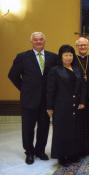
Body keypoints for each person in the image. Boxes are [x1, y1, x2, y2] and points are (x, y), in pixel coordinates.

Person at [8, 32, 58, 164]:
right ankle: (29, 152)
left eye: (41, 39)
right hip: (29, 100)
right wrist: (24, 89)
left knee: (44, 127)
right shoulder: (22, 57)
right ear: (31, 42)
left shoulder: (53, 57)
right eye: (35, 40)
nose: (38, 41)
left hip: (46, 101)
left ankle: (40, 151)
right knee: (28, 128)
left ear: (44, 41)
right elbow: (12, 75)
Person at [46, 45, 86, 166]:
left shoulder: (77, 69)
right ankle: (62, 156)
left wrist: (83, 101)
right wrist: (49, 107)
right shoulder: (55, 70)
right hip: (61, 105)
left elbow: (82, 87)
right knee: (62, 131)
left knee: (74, 130)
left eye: (70, 55)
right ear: (61, 56)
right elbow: (50, 90)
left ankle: (73, 154)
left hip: (76, 105)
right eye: (66, 55)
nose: (68, 57)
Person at [75, 37, 89, 157]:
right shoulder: (72, 59)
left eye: (85, 45)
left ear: (88, 46)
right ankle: (79, 149)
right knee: (79, 124)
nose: (82, 47)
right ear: (77, 47)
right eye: (80, 45)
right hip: (77, 97)